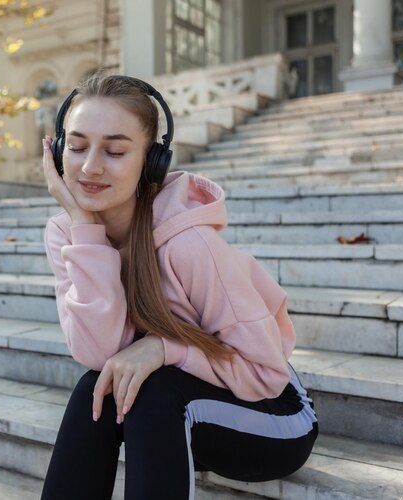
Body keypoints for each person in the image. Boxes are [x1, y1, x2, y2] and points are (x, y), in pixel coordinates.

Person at [40, 73, 318, 500]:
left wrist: (166, 348)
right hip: (174, 416)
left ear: (151, 162)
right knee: (95, 389)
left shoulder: (190, 245)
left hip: (274, 416)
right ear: (58, 152)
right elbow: (99, 353)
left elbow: (265, 374)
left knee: (154, 394)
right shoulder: (67, 234)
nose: (90, 166)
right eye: (76, 147)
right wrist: (85, 228)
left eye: (114, 151)